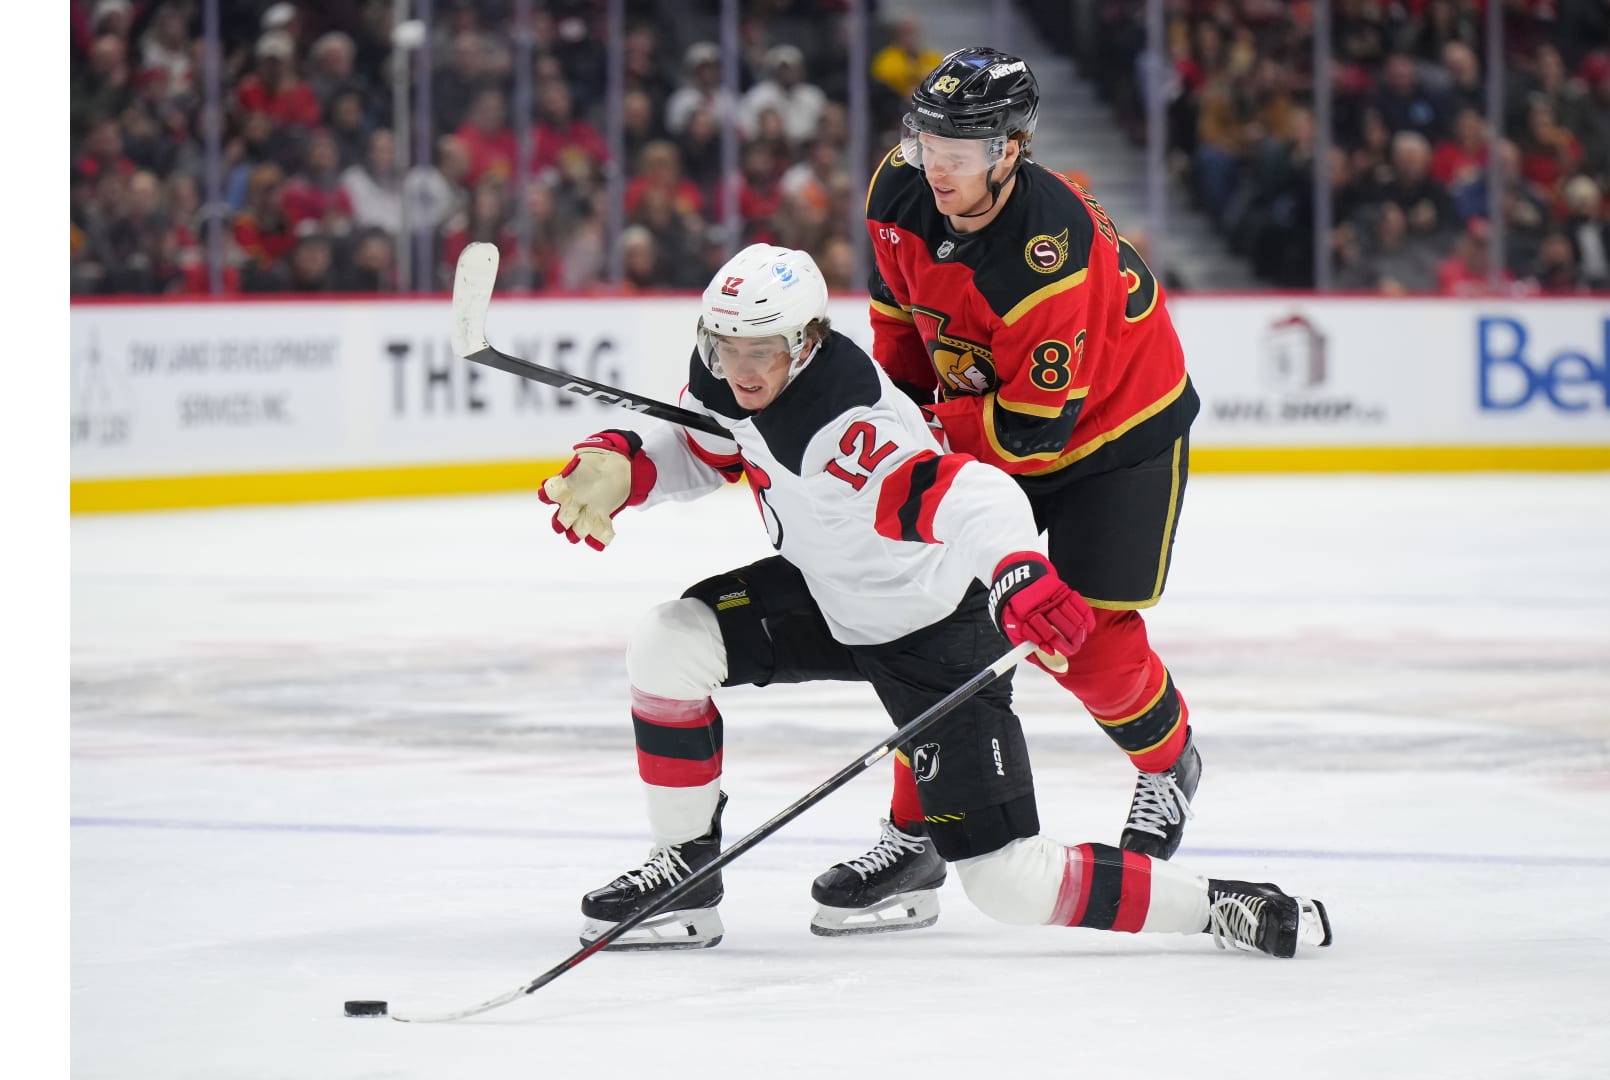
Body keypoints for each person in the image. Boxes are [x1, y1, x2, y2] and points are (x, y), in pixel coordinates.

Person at [545, 242, 1330, 958]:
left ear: (807, 342)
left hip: (935, 631)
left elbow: (970, 494)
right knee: (669, 642)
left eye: (763, 351)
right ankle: (685, 874)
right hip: (828, 596)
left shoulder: (850, 426)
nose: (741, 370)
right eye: (726, 347)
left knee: (1008, 881)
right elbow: (706, 440)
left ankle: (1219, 904)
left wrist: (1020, 571)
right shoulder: (729, 374)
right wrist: (623, 467)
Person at [848, 46, 1205, 931]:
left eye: (959, 151)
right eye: (926, 142)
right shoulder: (897, 187)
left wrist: (928, 434)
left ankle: (1167, 762)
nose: (935, 166)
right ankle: (918, 830)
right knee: (933, 624)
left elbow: (1035, 431)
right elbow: (898, 318)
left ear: (1010, 150)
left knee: (1080, 640)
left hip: (1115, 434)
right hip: (994, 413)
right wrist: (894, 416)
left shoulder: (1048, 258)